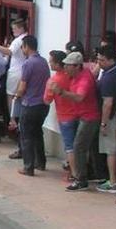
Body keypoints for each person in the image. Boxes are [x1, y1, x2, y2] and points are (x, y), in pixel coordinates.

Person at [55, 52, 101, 191]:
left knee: (78, 147)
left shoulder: (84, 79)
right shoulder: (79, 74)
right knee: (83, 147)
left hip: (89, 117)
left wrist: (61, 92)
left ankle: (81, 179)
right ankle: (88, 175)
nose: (65, 68)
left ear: (76, 66)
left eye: (68, 65)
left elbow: (80, 97)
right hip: (83, 116)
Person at [0, 19, 28, 159]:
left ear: (20, 28)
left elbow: (9, 51)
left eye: (14, 29)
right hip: (18, 73)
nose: (13, 32)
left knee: (13, 104)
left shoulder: (19, 40)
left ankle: (14, 127)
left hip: (15, 75)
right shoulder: (24, 39)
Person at [14, 35, 50, 176]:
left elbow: (23, 86)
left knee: (26, 135)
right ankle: (40, 162)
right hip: (43, 104)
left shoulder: (28, 64)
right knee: (37, 133)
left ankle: (28, 166)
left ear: (27, 47)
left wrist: (17, 95)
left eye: (22, 47)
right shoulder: (43, 61)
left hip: (30, 104)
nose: (22, 49)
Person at [43, 50, 78, 181]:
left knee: (69, 147)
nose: (49, 63)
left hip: (65, 116)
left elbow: (47, 100)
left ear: (58, 64)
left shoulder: (53, 80)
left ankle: (74, 173)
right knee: (78, 145)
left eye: (51, 61)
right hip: (79, 114)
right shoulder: (73, 76)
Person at [95, 45, 116, 193]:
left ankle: (112, 181)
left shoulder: (108, 78)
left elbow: (108, 103)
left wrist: (103, 123)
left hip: (111, 118)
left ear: (111, 60)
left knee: (110, 150)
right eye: (98, 59)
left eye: (102, 60)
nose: (99, 63)